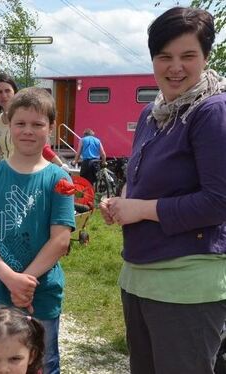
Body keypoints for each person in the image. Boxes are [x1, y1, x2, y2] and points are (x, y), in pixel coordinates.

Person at [99, 7, 226, 374]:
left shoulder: (212, 111)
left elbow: (219, 202)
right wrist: (122, 199)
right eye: (164, 56)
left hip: (187, 283)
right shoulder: (152, 113)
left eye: (188, 56)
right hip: (141, 276)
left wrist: (140, 210)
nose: (175, 67)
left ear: (205, 57)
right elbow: (140, 178)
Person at [0, 87, 75, 374]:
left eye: (37, 124)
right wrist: (10, 279)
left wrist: (25, 281)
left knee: (44, 361)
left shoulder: (59, 178)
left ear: (50, 129)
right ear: (8, 126)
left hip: (42, 292)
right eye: (21, 124)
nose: (28, 131)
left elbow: (61, 239)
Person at [0, 72, 18, 161]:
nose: (4, 95)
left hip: (23, 170)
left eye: (7, 90)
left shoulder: (26, 118)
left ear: (15, 92)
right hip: (1, 172)